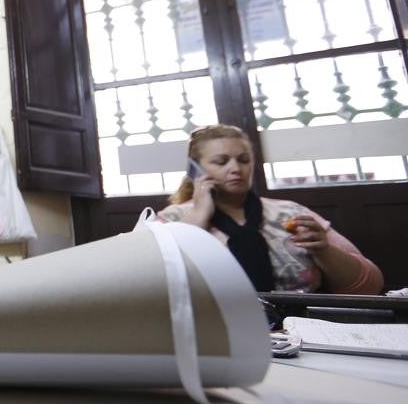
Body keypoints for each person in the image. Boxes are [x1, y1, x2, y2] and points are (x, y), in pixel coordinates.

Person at [157, 124, 382, 294]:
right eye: (221, 161)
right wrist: (198, 216)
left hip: (302, 334)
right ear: (195, 170)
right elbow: (142, 285)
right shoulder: (170, 220)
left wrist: (324, 250)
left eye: (244, 160)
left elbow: (370, 285)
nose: (236, 168)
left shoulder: (290, 212)